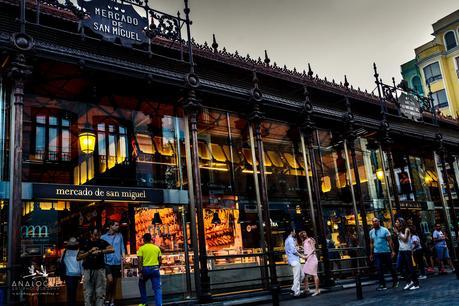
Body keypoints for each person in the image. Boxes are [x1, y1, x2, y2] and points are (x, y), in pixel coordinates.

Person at [78, 227, 114, 306]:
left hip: (100, 270)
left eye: (98, 235)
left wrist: (100, 251)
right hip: (88, 271)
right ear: (91, 234)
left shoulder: (101, 242)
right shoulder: (85, 243)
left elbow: (112, 249)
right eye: (95, 235)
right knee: (88, 294)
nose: (97, 237)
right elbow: (78, 257)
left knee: (100, 294)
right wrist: (89, 252)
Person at [369, 217, 398, 291]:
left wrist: (393, 251)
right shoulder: (371, 232)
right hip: (377, 253)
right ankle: (382, 284)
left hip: (386, 252)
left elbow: (390, 241)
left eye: (376, 221)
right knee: (379, 268)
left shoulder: (385, 230)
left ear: (379, 222)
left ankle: (396, 281)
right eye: (373, 221)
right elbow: (371, 243)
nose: (374, 222)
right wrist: (371, 254)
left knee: (390, 267)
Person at [101, 220, 125, 306]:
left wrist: (124, 257)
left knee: (114, 283)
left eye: (118, 225)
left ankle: (112, 300)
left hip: (117, 262)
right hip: (107, 262)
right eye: (116, 225)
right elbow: (101, 249)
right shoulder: (103, 237)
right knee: (110, 281)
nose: (118, 226)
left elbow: (122, 247)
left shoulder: (120, 236)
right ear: (111, 226)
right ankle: (107, 297)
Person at [394, 217, 419, 290]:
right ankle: (409, 281)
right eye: (396, 222)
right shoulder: (399, 230)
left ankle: (416, 284)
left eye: (397, 222)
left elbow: (405, 239)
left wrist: (398, 233)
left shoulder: (407, 229)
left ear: (401, 222)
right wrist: (397, 233)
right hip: (401, 250)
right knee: (398, 267)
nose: (396, 223)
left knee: (410, 267)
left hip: (407, 250)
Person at [137, 233, 162, 306]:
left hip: (145, 269)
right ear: (151, 239)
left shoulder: (141, 248)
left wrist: (140, 271)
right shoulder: (156, 248)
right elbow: (160, 260)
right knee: (157, 288)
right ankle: (159, 304)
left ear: (144, 239)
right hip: (155, 269)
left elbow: (139, 261)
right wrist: (157, 267)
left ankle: (144, 302)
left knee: (141, 284)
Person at [60, 237, 83, 306]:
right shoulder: (79, 252)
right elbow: (81, 264)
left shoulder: (64, 252)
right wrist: (82, 273)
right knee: (74, 292)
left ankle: (70, 303)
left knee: (69, 292)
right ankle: (72, 303)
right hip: (77, 274)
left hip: (68, 274)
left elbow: (61, 262)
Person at [299, 231, 320, 296]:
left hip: (312, 259)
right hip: (308, 260)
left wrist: (307, 256)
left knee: (314, 274)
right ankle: (306, 289)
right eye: (302, 235)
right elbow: (307, 249)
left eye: (304, 234)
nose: (303, 236)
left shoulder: (310, 240)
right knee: (304, 274)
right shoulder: (304, 242)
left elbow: (313, 249)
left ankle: (317, 290)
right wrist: (302, 249)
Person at [284, 228, 303, 297]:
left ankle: (293, 289)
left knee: (302, 275)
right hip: (294, 260)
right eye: (294, 231)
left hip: (294, 260)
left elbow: (293, 249)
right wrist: (302, 256)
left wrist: (298, 248)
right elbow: (294, 251)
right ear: (291, 232)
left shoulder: (287, 240)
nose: (295, 233)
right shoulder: (290, 239)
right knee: (297, 277)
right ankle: (296, 293)